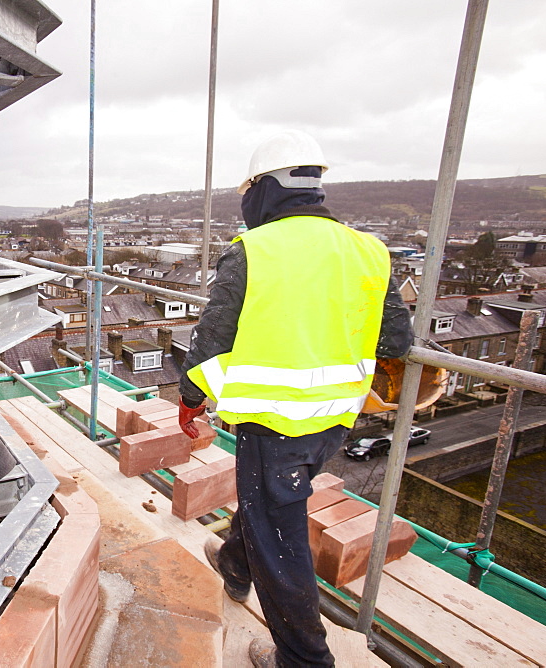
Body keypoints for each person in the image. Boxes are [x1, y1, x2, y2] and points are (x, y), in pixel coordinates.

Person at [177, 130, 413, 668]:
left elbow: (211, 340)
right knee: (271, 504)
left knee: (281, 542)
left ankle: (305, 659)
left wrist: (191, 397)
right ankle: (236, 567)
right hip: (334, 421)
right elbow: (395, 342)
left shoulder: (253, 251)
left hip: (274, 423)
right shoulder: (370, 252)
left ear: (261, 189)